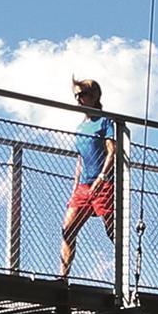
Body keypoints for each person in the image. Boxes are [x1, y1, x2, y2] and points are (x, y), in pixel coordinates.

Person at [56, 78, 123, 288]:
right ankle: (63, 277)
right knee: (68, 229)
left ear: (94, 97)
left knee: (113, 231)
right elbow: (80, 159)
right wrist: (75, 187)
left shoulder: (104, 122)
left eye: (82, 95)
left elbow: (112, 151)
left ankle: (123, 276)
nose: (78, 99)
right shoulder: (80, 127)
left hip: (104, 183)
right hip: (84, 186)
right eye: (76, 95)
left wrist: (102, 177)